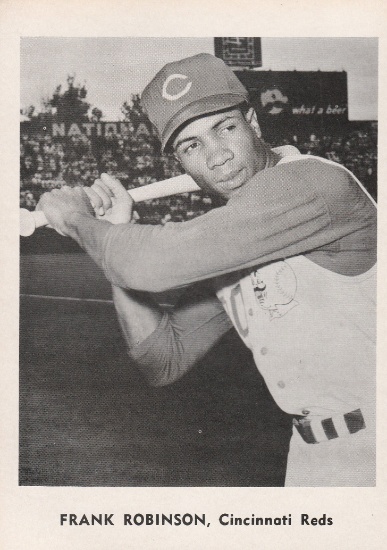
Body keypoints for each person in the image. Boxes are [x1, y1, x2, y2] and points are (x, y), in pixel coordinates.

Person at [37, 53, 376, 487]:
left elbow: (148, 264)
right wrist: (117, 230)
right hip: (313, 456)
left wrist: (77, 220)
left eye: (225, 128)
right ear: (180, 161)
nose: (217, 157)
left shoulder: (311, 183)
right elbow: (164, 358)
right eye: (192, 145)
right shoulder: (234, 238)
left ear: (253, 123)